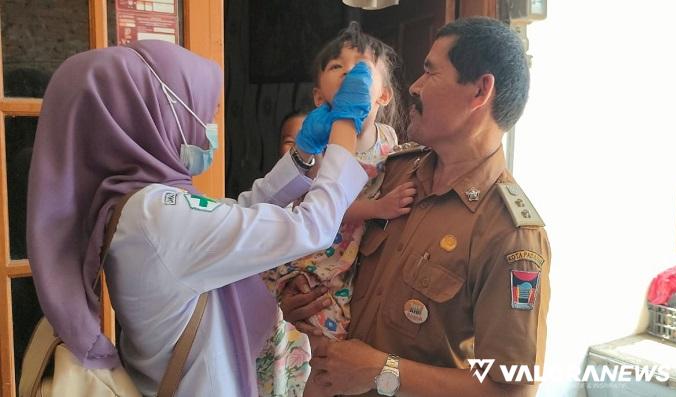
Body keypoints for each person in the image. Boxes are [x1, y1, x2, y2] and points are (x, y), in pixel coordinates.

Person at [26, 39, 375, 396]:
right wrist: (344, 127)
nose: (209, 126)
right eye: (203, 114)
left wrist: (302, 154)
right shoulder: (155, 214)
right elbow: (308, 228)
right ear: (156, 114)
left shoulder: (137, 201)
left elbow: (237, 216)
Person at [281, 17, 551, 397]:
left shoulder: (508, 232)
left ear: (479, 91)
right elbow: (325, 236)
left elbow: (511, 389)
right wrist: (301, 300)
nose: (414, 86)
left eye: (430, 72)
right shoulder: (390, 171)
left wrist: (383, 372)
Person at [257, 22, 417, 397]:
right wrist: (378, 207)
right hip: (317, 259)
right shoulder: (318, 148)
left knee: (348, 355)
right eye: (337, 67)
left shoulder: (391, 143)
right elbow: (319, 207)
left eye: (362, 68)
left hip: (356, 264)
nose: (349, 74)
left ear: (384, 95)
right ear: (318, 96)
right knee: (324, 354)